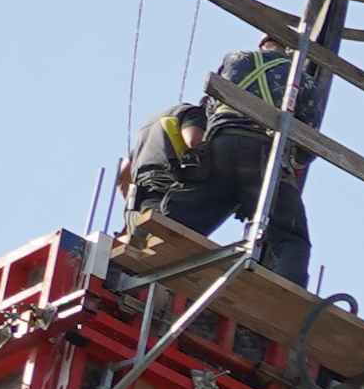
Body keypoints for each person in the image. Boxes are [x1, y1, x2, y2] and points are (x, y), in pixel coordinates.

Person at [123, 43, 316, 283]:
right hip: (264, 153)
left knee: (186, 216)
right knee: (290, 236)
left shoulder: (235, 58)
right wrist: (292, 164)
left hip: (220, 145)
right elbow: (306, 145)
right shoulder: (302, 80)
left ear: (263, 44)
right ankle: (285, 290)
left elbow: (210, 107)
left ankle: (149, 246)